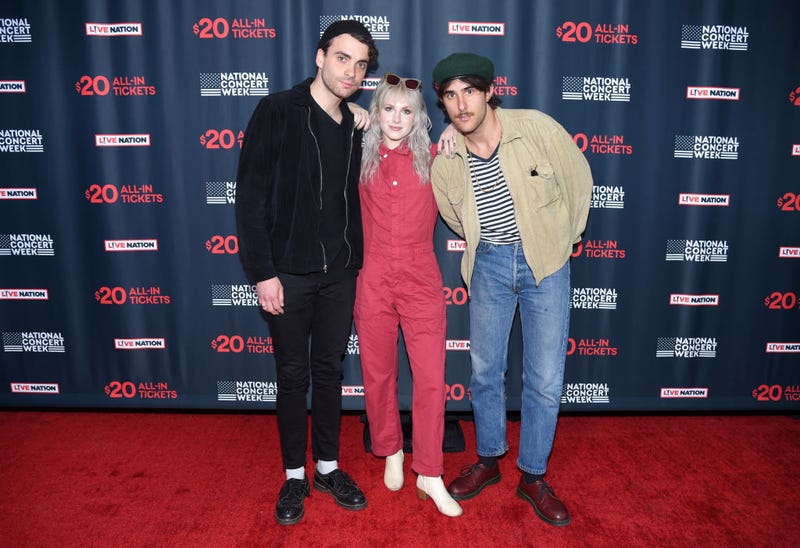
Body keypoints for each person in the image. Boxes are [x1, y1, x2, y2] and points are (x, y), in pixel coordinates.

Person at [429, 53, 593, 527]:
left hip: (546, 263)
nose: (461, 104)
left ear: (488, 92)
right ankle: (489, 458)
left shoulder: (536, 128)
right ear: (443, 103)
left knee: (543, 379)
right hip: (490, 267)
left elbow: (578, 182)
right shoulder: (447, 162)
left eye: (469, 91)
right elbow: (454, 216)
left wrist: (562, 243)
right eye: (450, 95)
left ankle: (534, 476)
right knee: (484, 372)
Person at [235, 20, 378, 526]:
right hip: (287, 274)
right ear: (320, 57)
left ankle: (327, 467)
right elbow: (249, 200)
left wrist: (362, 115)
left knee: (330, 373)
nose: (351, 71)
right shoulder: (275, 111)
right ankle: (294, 474)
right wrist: (261, 273)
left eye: (361, 65)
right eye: (343, 58)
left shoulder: (355, 124)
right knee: (292, 376)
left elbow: (407, 125)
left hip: (340, 273)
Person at [353, 73, 462, 518]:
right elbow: (319, 113)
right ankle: (391, 450)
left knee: (432, 378)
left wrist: (460, 127)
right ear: (377, 111)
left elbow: (486, 129)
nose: (397, 118)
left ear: (419, 118)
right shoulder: (357, 155)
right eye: (388, 108)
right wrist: (350, 113)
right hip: (373, 276)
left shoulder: (437, 157)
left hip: (420, 278)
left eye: (407, 110)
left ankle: (431, 473)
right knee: (378, 373)